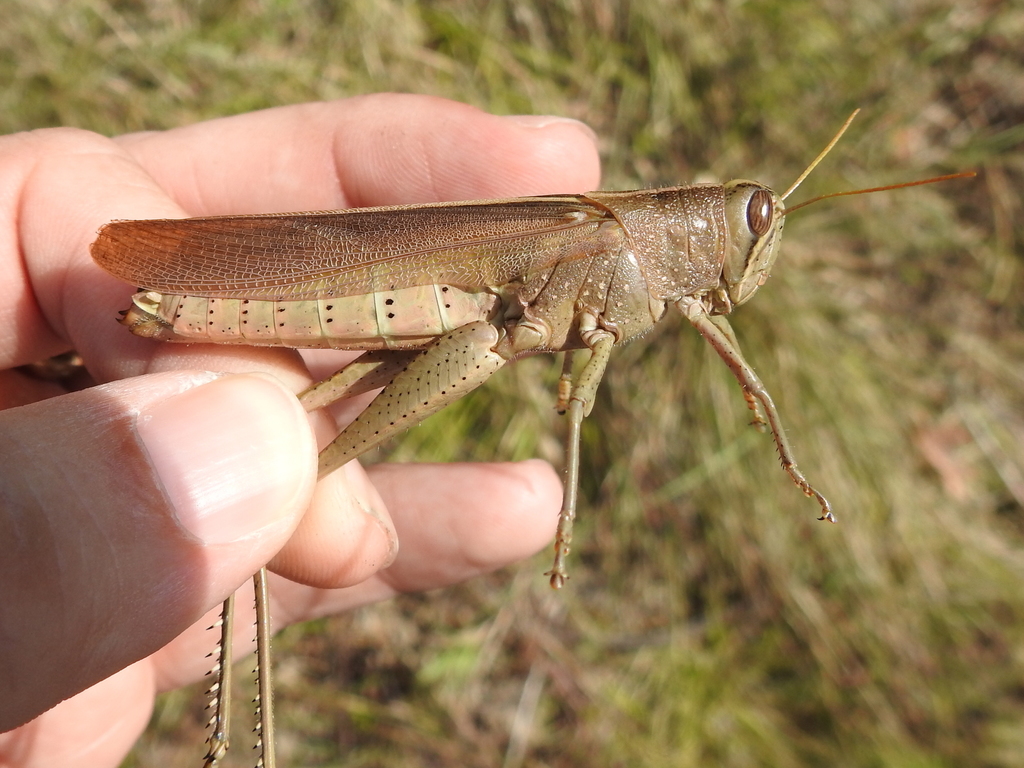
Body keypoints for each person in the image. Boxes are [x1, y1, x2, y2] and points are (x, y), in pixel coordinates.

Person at [0, 94, 601, 767]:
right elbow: (580, 392)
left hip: (466, 327)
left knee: (305, 480)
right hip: (422, 304)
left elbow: (583, 383)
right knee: (293, 478)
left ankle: (235, 739)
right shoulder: (603, 233)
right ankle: (238, 738)